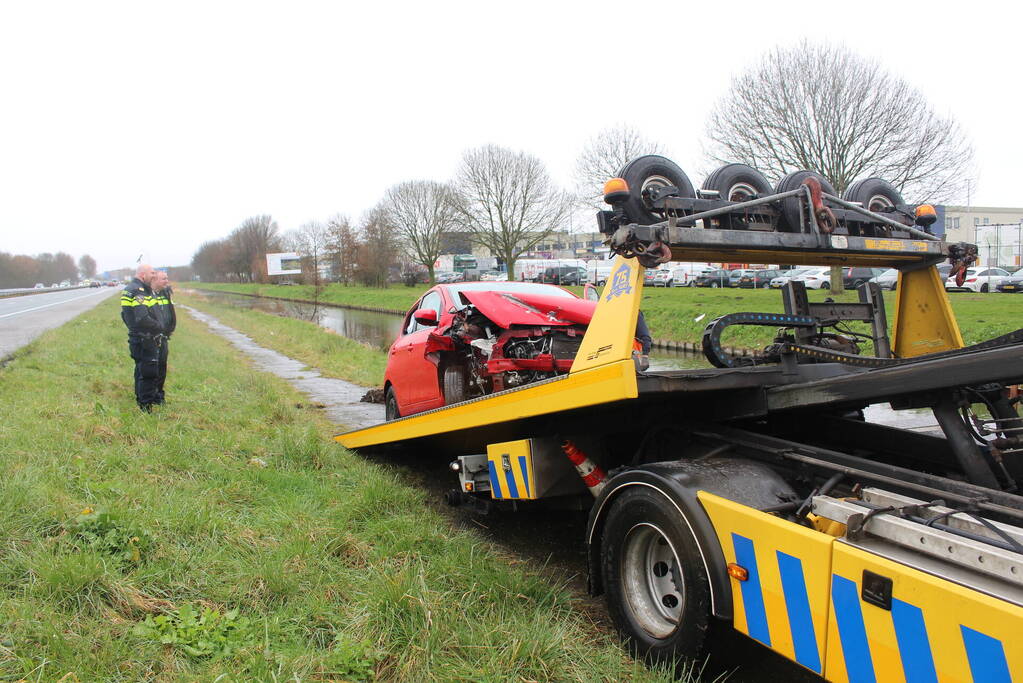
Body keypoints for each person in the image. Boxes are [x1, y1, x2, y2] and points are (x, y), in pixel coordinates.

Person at [120, 264, 165, 412]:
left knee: (140, 370)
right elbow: (142, 318)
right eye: (152, 273)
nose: (154, 275)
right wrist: (159, 326)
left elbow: (125, 316)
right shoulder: (138, 291)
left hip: (138, 337)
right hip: (145, 339)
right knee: (148, 372)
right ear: (142, 274)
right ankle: (146, 408)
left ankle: (141, 399)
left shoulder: (131, 289)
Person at [149, 270, 176, 405]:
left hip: (164, 337)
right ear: (154, 280)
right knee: (152, 368)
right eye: (163, 279)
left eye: (167, 278)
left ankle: (159, 395)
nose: (167, 281)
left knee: (162, 367)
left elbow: (170, 312)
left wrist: (170, 328)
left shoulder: (165, 293)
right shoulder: (148, 295)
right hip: (152, 338)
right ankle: (150, 395)